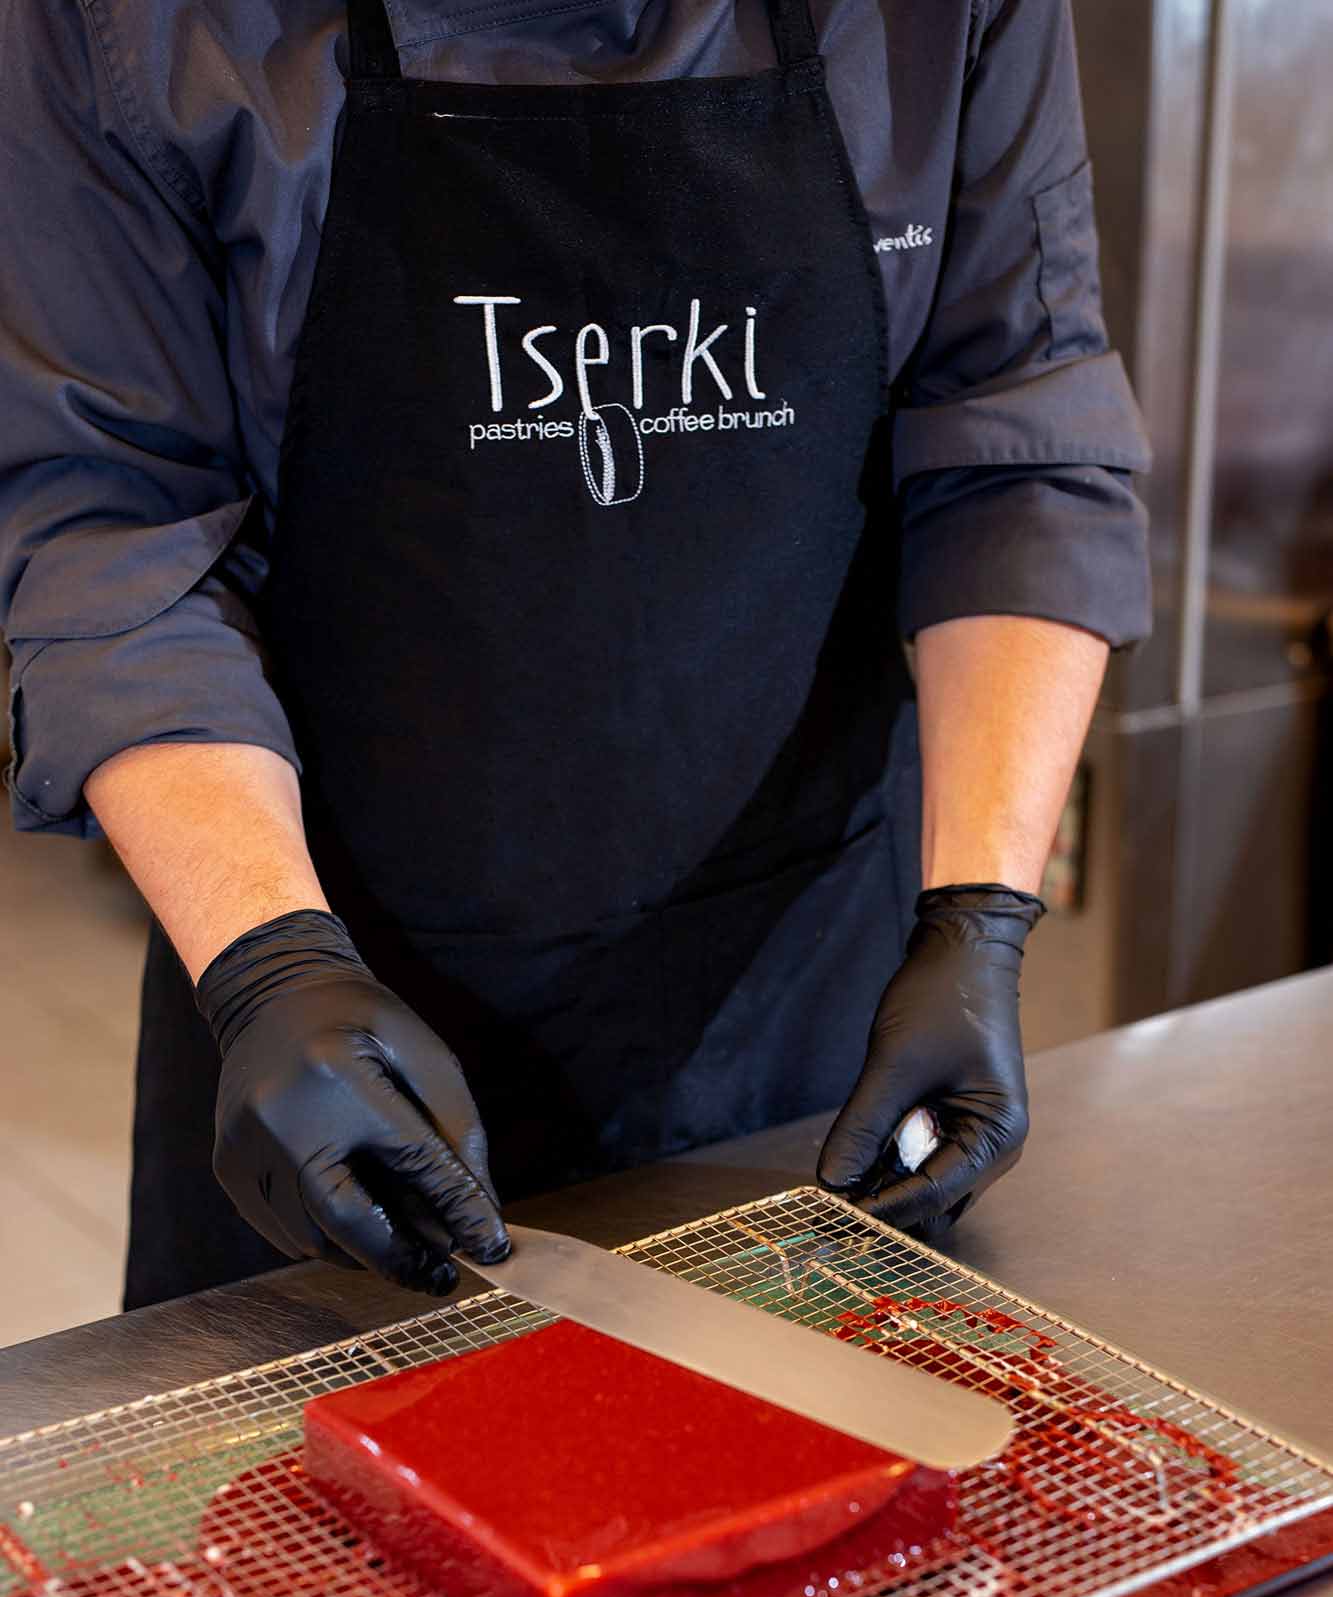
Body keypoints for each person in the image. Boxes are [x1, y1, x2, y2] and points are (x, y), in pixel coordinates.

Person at [0, 0, 1151, 1310]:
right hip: (331, 1019)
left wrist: (981, 913)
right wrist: (270, 964)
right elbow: (117, 525)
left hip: (818, 1012)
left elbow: (1014, 440)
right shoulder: (125, 25)